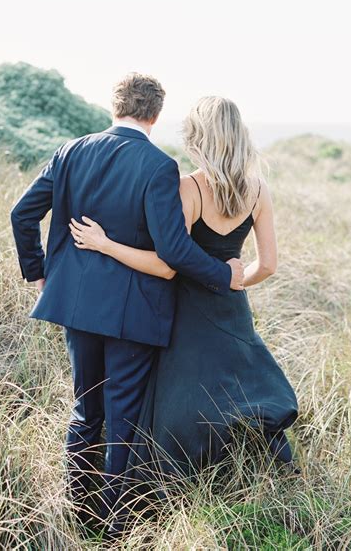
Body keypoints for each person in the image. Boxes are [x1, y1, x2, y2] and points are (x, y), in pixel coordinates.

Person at [10, 75, 245, 534]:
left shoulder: (70, 150)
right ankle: (115, 525)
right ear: (156, 115)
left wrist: (37, 272)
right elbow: (174, 250)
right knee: (122, 417)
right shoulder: (160, 166)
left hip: (75, 307)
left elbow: (22, 213)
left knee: (85, 409)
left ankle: (76, 514)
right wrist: (224, 274)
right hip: (133, 312)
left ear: (113, 106)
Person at [69, 96, 299, 525]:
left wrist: (105, 244)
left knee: (174, 405)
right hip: (233, 311)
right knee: (234, 395)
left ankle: (158, 502)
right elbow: (267, 265)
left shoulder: (189, 188)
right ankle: (238, 479)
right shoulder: (258, 190)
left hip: (184, 314)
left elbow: (165, 263)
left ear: (198, 137)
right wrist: (234, 281)